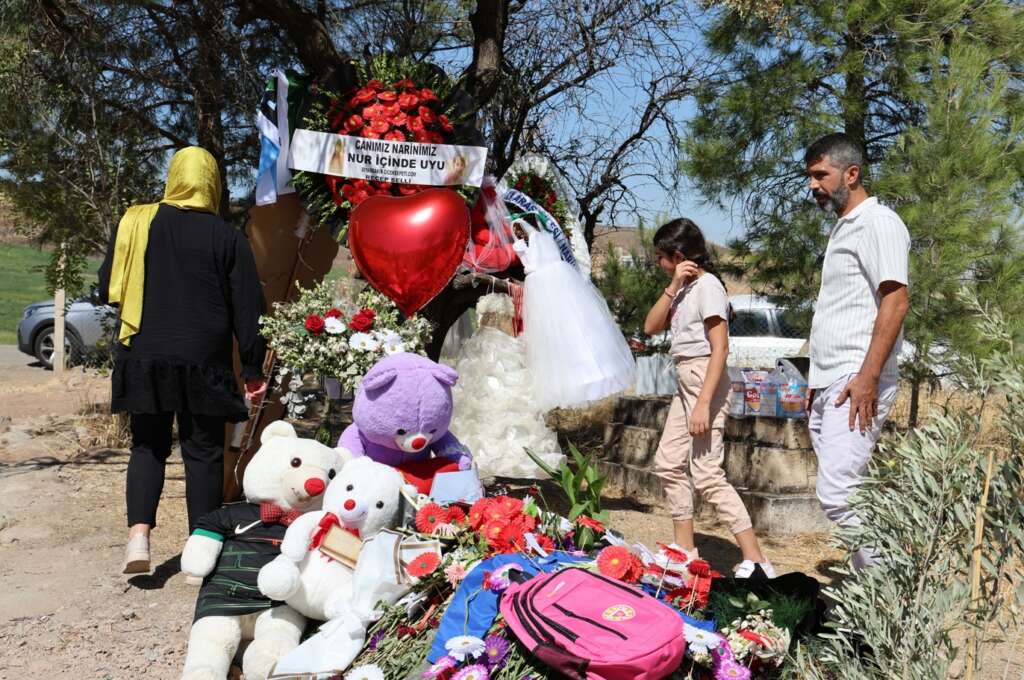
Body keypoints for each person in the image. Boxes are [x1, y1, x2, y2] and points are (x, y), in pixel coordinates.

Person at [97, 147, 268, 575]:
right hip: (203, 362)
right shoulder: (227, 236)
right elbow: (248, 308)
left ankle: (138, 537)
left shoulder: (136, 222)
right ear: (212, 183)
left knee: (147, 445)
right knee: (204, 453)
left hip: (145, 357)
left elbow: (107, 286)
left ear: (172, 178)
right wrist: (251, 368)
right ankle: (201, 556)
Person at [644, 218, 773, 578]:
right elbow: (649, 326)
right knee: (668, 462)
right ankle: (685, 552)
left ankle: (758, 560)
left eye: (661, 257)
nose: (658, 263)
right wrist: (673, 284)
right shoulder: (684, 288)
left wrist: (703, 402)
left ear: (679, 254)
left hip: (705, 378)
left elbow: (720, 349)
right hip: (686, 378)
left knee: (705, 473)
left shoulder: (709, 287)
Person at [803, 133, 910, 569]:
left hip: (856, 378)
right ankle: (876, 589)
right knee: (846, 492)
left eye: (820, 175)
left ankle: (890, 591)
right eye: (809, 176)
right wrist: (815, 382)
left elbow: (896, 301)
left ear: (852, 173)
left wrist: (866, 377)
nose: (813, 185)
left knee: (838, 492)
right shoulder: (845, 225)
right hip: (831, 380)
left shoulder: (878, 222)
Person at [511, 220, 636, 411]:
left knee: (574, 329)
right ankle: (572, 382)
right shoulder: (530, 235)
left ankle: (590, 376)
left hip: (551, 282)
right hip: (540, 285)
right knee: (556, 337)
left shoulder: (538, 235)